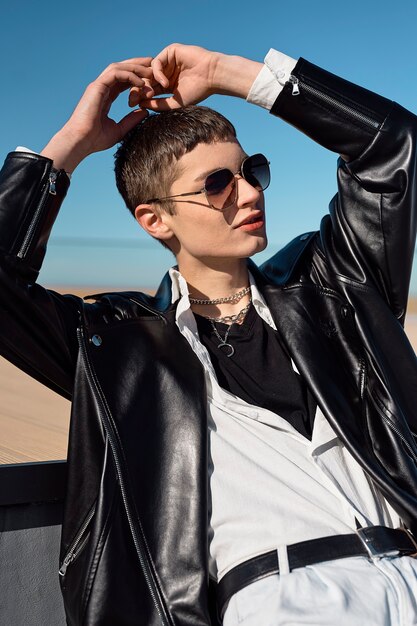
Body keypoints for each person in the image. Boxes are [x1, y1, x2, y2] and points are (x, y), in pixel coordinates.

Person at [1, 43, 417, 626]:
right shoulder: (118, 348)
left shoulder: (334, 290)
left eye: (253, 171)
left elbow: (391, 147)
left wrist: (230, 76)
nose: (250, 193)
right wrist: (71, 143)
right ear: (155, 219)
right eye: (218, 183)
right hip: (278, 601)